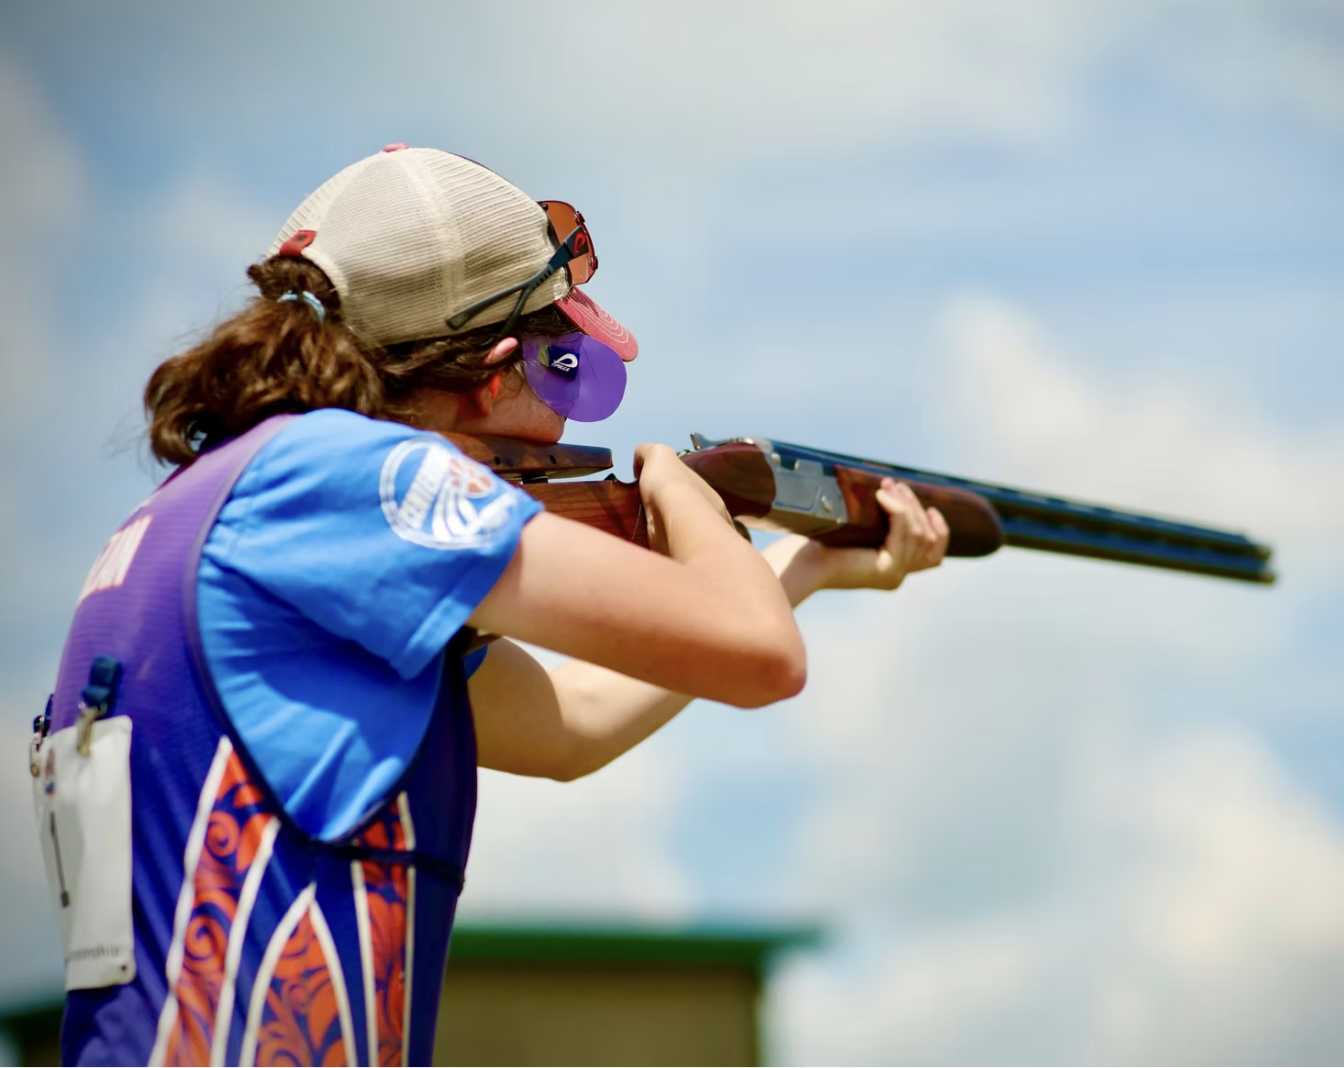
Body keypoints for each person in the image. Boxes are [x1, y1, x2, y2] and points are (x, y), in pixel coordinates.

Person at [32, 145, 948, 1066]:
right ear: (499, 369)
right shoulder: (359, 481)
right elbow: (761, 656)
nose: (570, 422)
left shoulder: (208, 513)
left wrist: (801, 568)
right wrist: (688, 498)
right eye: (568, 370)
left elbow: (571, 724)